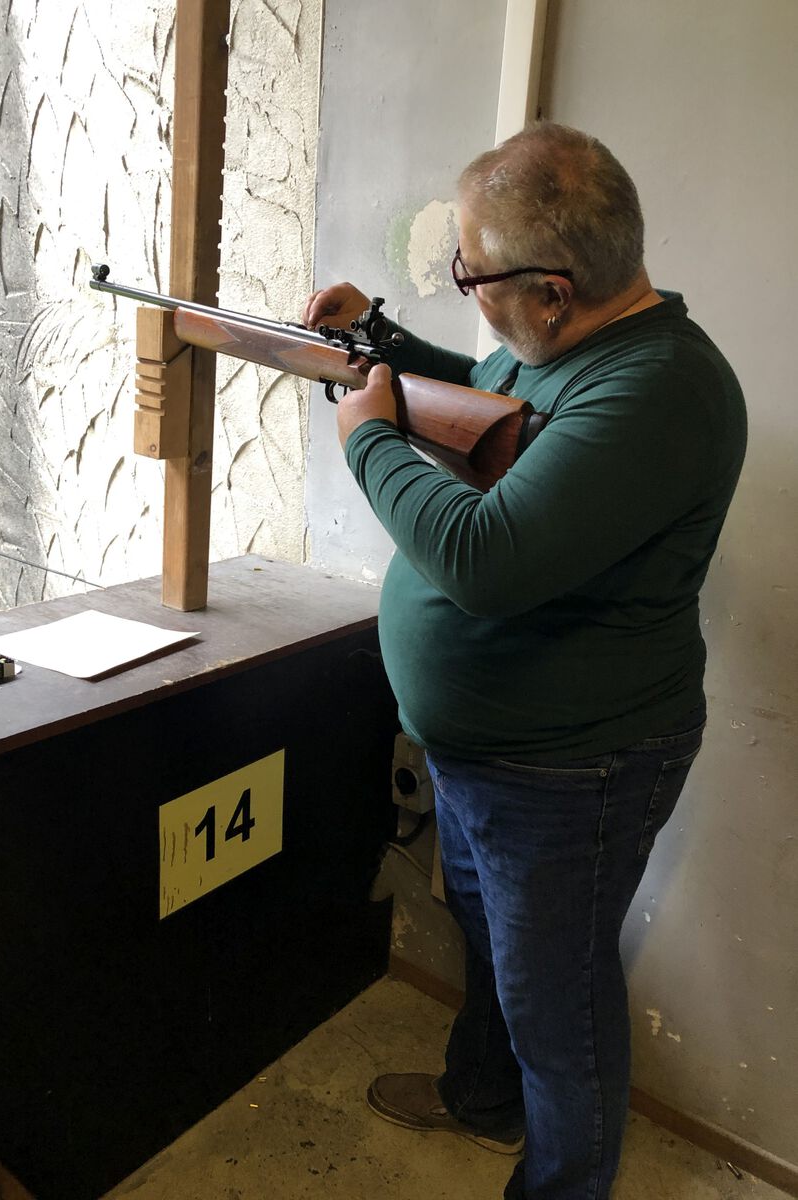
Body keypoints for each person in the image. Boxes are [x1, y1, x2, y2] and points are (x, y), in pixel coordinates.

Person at [302, 122, 746, 1200]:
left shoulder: (660, 390)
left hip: (571, 770)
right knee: (497, 950)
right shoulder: (562, 349)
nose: (465, 288)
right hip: (492, 755)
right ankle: (481, 1099)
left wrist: (368, 436)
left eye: (470, 275)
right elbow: (490, 404)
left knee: (561, 1016)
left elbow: (483, 560)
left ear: (552, 291)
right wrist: (382, 342)